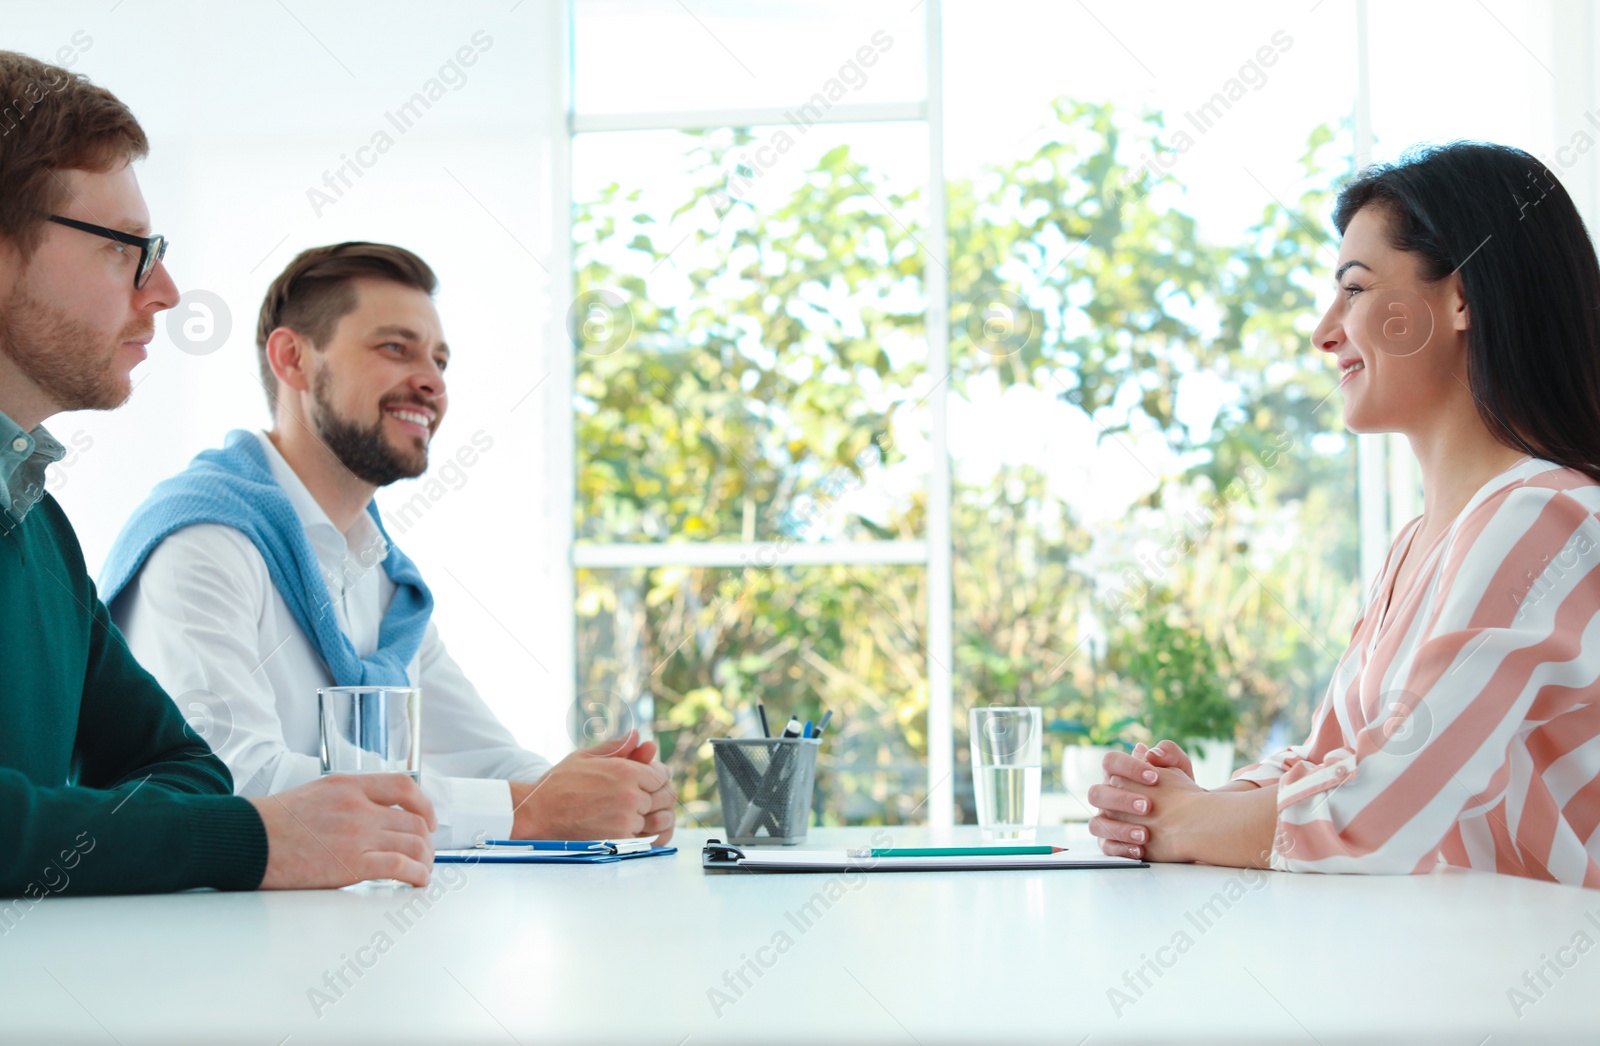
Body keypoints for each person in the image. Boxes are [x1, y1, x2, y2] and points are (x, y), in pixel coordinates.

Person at [1090, 141, 1600, 888]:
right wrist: (1203, 801)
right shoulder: (1421, 543)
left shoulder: (1546, 518)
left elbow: (1377, 813)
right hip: (1463, 969)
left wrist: (1185, 822)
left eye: (1355, 290)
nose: (1325, 330)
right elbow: (1334, 756)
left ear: (1461, 299)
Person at [0, 50, 437, 897]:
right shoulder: (201, 531)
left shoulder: (39, 525)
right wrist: (244, 840)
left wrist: (75, 828)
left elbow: (186, 767)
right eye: (127, 249)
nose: (164, 290)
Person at [101, 242, 676, 850]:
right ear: (292, 359)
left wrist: (608, 790)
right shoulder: (204, 544)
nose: (431, 382)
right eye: (394, 348)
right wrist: (528, 810)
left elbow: (483, 758)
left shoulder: (383, 580)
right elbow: (234, 783)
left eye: (440, 361)